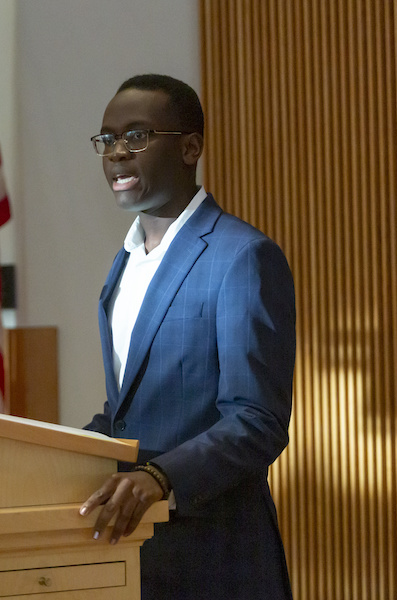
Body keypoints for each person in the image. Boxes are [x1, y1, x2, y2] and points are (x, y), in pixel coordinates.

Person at [77, 74, 295, 599]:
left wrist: (161, 477)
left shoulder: (241, 257)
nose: (117, 154)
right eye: (107, 140)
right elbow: (127, 410)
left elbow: (257, 420)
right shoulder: (124, 263)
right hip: (135, 557)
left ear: (191, 147)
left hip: (217, 557)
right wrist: (45, 451)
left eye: (137, 136)